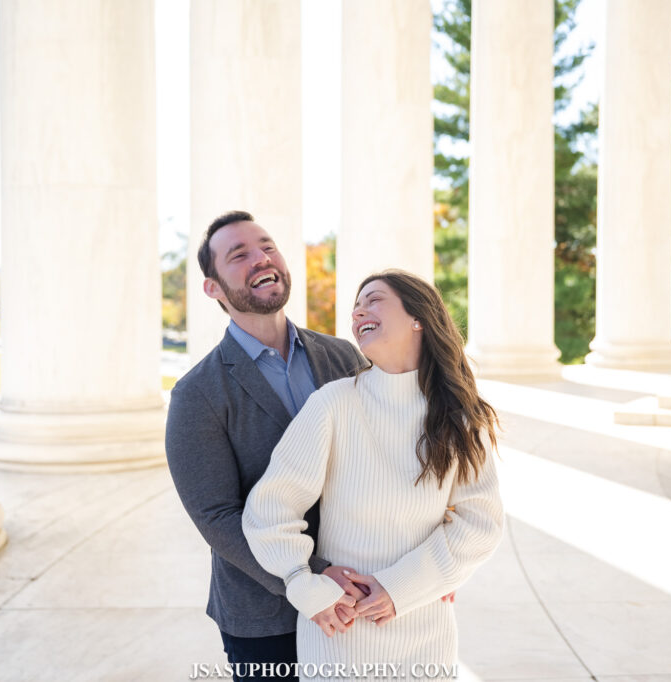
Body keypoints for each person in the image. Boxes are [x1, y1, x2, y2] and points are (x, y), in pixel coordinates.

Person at [242, 269, 505, 682]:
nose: (358, 312)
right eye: (356, 306)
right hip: (339, 626)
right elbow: (270, 508)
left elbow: (479, 523)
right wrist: (303, 583)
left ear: (418, 318)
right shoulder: (333, 404)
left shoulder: (461, 417)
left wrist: (404, 586)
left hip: (425, 626)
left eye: (374, 299)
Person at [165, 211, 368, 681]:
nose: (261, 258)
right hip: (265, 615)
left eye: (268, 246)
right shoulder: (196, 395)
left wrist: (420, 564)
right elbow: (217, 516)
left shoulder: (344, 356)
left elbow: (385, 455)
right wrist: (309, 578)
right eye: (239, 255)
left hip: (357, 591)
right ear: (213, 288)